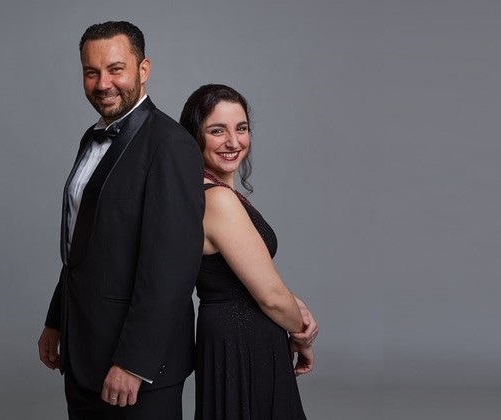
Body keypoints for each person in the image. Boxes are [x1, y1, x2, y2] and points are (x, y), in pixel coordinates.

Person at [38, 21, 204, 420]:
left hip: (138, 366)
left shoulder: (171, 145)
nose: (102, 84)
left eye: (115, 69)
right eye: (91, 72)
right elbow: (83, 242)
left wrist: (134, 363)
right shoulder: (91, 138)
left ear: (143, 70)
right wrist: (56, 320)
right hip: (83, 349)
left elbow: (171, 269)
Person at [179, 84, 318, 419]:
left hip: (239, 335)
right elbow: (270, 297)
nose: (233, 142)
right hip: (241, 340)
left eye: (241, 128)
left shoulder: (215, 192)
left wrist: (293, 303)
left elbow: (250, 276)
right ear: (194, 136)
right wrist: (302, 333)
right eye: (217, 131)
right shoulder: (217, 199)